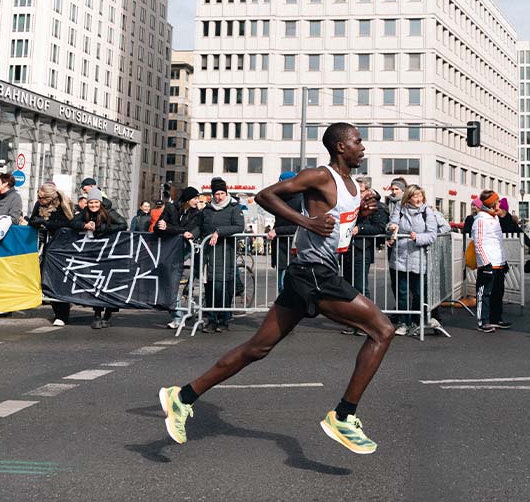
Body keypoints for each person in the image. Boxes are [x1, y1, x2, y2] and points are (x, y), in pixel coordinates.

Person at [160, 123, 394, 455]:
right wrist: (306, 222)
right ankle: (343, 416)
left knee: (257, 348)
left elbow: (337, 227)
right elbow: (265, 196)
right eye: (358, 141)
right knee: (383, 330)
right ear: (341, 147)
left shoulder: (353, 185)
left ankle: (181, 397)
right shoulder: (320, 176)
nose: (363, 147)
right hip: (314, 273)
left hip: (311, 273)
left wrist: (360, 214)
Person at [387, 184, 445, 336]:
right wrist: (391, 227)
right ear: (409, 197)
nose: (418, 199)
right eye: (415, 196)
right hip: (400, 256)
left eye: (420, 196)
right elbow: (391, 224)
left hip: (419, 257)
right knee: (402, 292)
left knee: (418, 292)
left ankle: (417, 320)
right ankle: (403, 322)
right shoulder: (400, 208)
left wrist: (418, 238)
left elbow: (432, 234)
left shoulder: (427, 212)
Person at [70, 187, 127, 327]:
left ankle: (107, 315)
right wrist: (84, 225)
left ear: (100, 203)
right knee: (96, 283)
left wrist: (102, 229)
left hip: (111, 251)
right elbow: (72, 222)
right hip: (95, 252)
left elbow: (123, 224)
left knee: (109, 283)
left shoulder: (109, 212)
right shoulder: (85, 212)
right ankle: (96, 314)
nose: (93, 205)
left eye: (96, 202)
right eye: (91, 203)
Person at [28, 183, 79, 326]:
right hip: (45, 247)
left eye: (42, 198)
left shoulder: (63, 204)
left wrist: (45, 222)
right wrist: (39, 222)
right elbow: (32, 220)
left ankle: (62, 315)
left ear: (50, 198)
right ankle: (58, 310)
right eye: (38, 197)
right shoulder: (39, 205)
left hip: (61, 248)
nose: (39, 200)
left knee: (59, 280)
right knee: (46, 280)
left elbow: (67, 223)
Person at [199, 177, 245, 333]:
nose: (218, 197)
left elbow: (239, 227)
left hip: (225, 253)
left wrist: (219, 231)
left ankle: (224, 319)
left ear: (226, 193)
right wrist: (189, 234)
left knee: (222, 288)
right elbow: (200, 227)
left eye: (221, 193)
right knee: (210, 288)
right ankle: (211, 320)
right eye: (216, 194)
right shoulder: (207, 209)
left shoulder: (234, 208)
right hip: (208, 254)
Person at [341, 187, 388, 335]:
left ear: (368, 191)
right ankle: (352, 321)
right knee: (348, 288)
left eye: (361, 190)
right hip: (347, 250)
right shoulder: (350, 205)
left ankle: (368, 322)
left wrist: (360, 228)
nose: (358, 193)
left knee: (361, 287)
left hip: (362, 250)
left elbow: (379, 228)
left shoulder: (376, 206)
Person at [156, 186, 205, 329]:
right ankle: (177, 316)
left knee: (183, 282)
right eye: (195, 198)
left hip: (185, 250)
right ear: (187, 199)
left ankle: (186, 311)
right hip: (169, 250)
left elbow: (189, 230)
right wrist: (169, 229)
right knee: (171, 283)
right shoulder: (170, 208)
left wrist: (169, 228)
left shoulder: (197, 213)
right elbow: (158, 228)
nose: (197, 201)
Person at [471, 190, 511, 332]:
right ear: (492, 203)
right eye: (498, 201)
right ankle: (483, 321)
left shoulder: (495, 218)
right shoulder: (481, 220)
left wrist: (503, 261)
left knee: (498, 292)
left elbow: (497, 242)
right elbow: (479, 243)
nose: (500, 203)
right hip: (487, 263)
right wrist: (485, 263)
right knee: (484, 292)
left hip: (498, 261)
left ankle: (495, 318)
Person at [265, 171, 304, 292]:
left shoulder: (301, 199)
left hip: (293, 247)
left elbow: (301, 223)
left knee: (288, 285)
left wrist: (277, 230)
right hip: (281, 248)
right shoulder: (279, 199)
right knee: (282, 286)